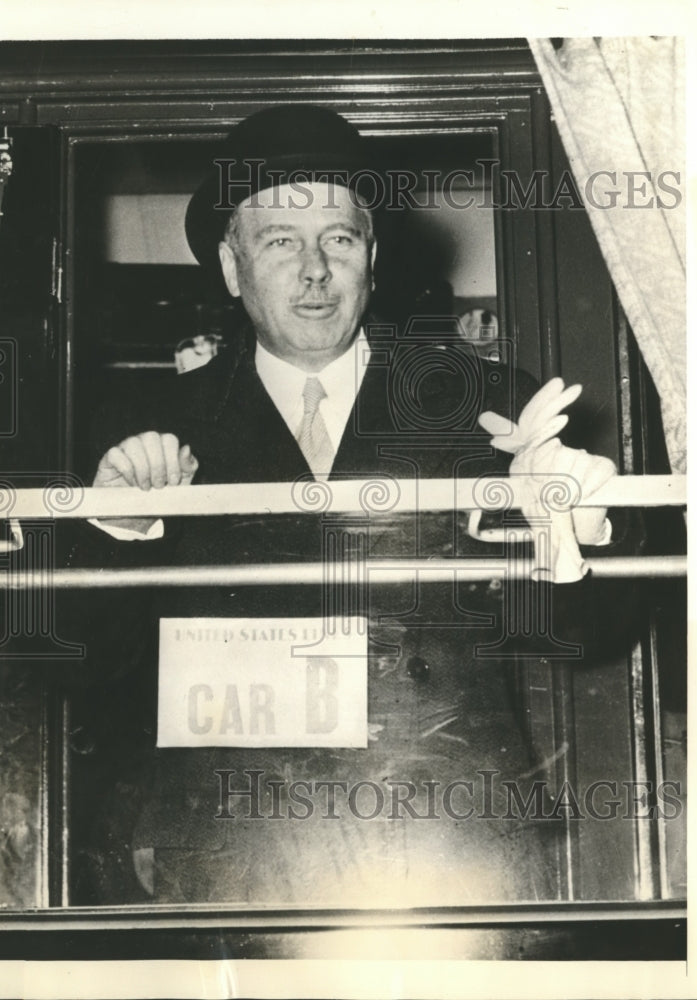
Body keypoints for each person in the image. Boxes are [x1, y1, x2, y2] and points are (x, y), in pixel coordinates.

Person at [67, 105, 633, 907]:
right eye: (279, 241)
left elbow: (597, 636)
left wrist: (575, 530)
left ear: (373, 257)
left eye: (338, 238)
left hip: (449, 849)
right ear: (232, 268)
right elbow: (78, 666)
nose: (313, 271)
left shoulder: (488, 407)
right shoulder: (142, 429)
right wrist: (117, 529)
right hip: (238, 855)